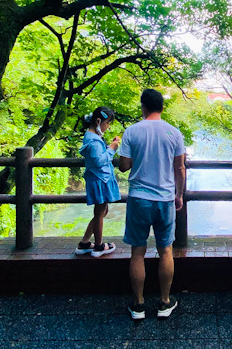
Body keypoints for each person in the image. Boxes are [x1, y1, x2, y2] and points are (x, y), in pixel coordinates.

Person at [119, 89, 186, 320]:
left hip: (139, 197)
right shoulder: (174, 133)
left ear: (143, 106)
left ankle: (138, 305)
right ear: (162, 108)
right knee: (165, 250)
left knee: (138, 252)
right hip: (165, 198)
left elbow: (124, 165)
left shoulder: (132, 131)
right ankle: (165, 302)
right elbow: (179, 168)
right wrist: (179, 194)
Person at [73, 106, 121, 258]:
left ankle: (85, 243)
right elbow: (99, 161)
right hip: (100, 179)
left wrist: (109, 146)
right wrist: (112, 149)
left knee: (102, 211)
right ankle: (99, 246)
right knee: (100, 212)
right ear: (99, 121)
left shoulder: (92, 137)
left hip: (100, 179)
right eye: (108, 123)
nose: (108, 126)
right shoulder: (93, 141)